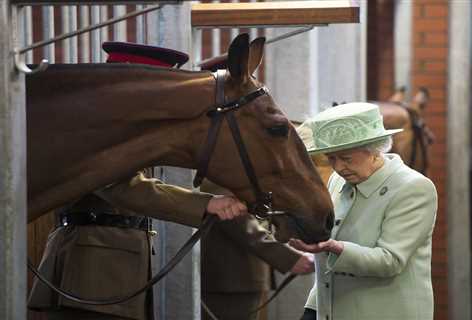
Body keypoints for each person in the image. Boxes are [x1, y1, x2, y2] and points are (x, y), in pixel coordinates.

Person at [28, 43, 248, 320]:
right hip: (90, 270)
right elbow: (119, 186)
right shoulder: (98, 123)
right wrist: (207, 203)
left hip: (113, 269)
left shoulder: (127, 127)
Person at [292, 102, 438, 320]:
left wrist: (334, 247)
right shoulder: (337, 180)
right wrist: (313, 310)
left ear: (375, 150)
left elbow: (389, 261)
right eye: (331, 158)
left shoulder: (414, 188)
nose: (338, 167)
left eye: (346, 158)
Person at [200, 180, 315, 320]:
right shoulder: (219, 177)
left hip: (241, 279)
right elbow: (244, 226)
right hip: (231, 281)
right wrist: (290, 258)